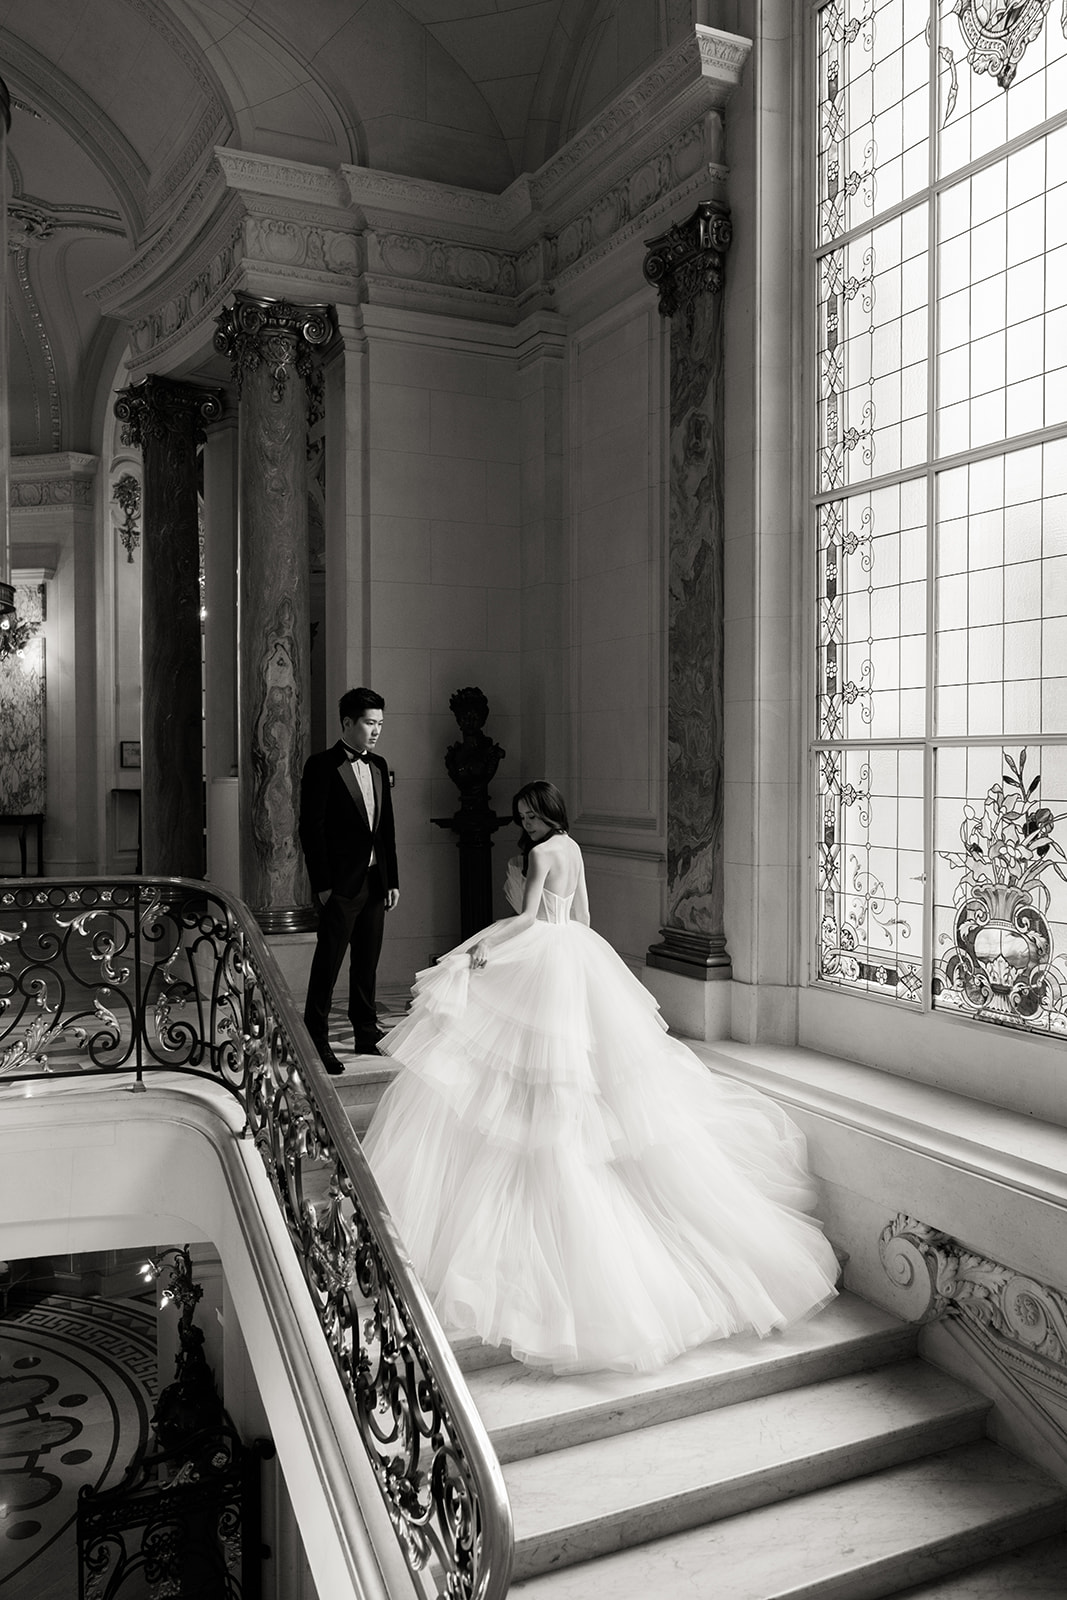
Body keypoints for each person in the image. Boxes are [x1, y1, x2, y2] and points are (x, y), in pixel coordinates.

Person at [362, 780, 838, 1375]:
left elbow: (533, 918)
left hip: (545, 962)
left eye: (534, 815)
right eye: (524, 816)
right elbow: (583, 919)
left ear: (549, 815)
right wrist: (573, 961)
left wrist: (479, 950)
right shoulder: (575, 849)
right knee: (571, 1074)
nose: (529, 824)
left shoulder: (539, 855)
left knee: (522, 1071)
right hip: (580, 961)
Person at [299, 688, 400, 1073]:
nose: (376, 731)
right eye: (370, 724)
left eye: (380, 724)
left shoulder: (379, 764)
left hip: (375, 880)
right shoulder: (321, 766)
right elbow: (312, 829)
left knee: (367, 961)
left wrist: (392, 879)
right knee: (329, 961)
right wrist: (323, 884)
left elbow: (385, 829)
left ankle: (366, 1032)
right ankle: (316, 1038)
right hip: (340, 884)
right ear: (347, 723)